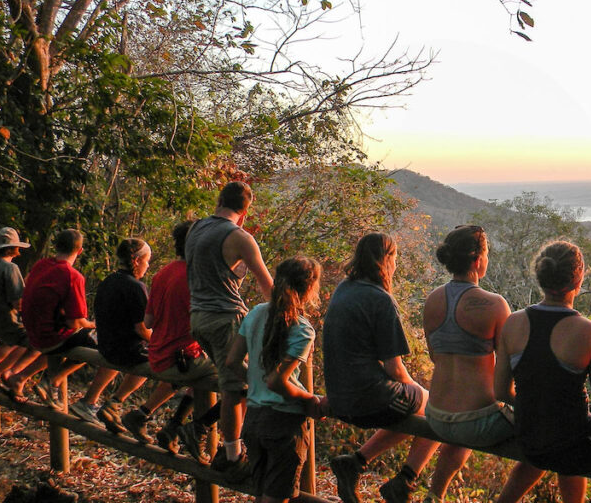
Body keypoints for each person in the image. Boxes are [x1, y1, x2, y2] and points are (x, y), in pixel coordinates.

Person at [495, 240, 591, 503]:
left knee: (566, 438)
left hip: (530, 437)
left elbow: (500, 391)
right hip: (572, 442)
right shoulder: (590, 333)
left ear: (540, 278)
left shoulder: (513, 323)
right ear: (578, 282)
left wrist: (536, 405)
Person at [422, 225, 541, 502]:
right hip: (478, 423)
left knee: (463, 426)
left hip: (436, 416)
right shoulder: (494, 304)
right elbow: (510, 366)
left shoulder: (432, 299)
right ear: (477, 260)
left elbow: (435, 357)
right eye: (486, 254)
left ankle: (434, 494)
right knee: (548, 442)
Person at [324, 232, 440, 503]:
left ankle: (356, 462)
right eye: (395, 259)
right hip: (364, 398)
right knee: (434, 410)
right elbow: (395, 368)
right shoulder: (380, 299)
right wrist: (419, 390)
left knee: (418, 403)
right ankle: (405, 481)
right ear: (386, 260)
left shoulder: (344, 288)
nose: (397, 265)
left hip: (337, 395)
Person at [226, 256, 334, 502]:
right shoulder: (302, 329)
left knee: (261, 493)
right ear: (310, 288)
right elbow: (276, 381)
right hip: (283, 424)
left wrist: (255, 382)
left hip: (253, 421)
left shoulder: (255, 314)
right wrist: (309, 398)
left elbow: (232, 362)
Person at [185, 181, 274, 472]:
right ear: (245, 212)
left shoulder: (196, 228)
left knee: (235, 382)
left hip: (197, 317)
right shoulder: (239, 237)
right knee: (237, 387)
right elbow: (267, 287)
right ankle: (232, 455)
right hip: (225, 319)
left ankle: (205, 430)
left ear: (219, 201)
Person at [4, 229, 119, 421]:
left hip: (33, 331)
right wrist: (93, 324)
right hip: (50, 336)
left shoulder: (42, 265)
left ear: (56, 246)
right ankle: (54, 381)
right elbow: (75, 322)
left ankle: (21, 377)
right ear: (80, 251)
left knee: (69, 342)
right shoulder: (72, 276)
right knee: (99, 346)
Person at [143, 221, 219, 455]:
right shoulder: (194, 279)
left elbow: (148, 322)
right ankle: (198, 429)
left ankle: (173, 425)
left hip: (158, 355)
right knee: (241, 382)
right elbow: (205, 328)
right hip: (179, 360)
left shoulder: (162, 273)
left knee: (205, 369)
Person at [92, 238, 176, 441]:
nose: (148, 266)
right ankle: (116, 403)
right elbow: (142, 328)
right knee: (156, 360)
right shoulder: (135, 287)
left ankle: (113, 404)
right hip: (125, 349)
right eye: (147, 261)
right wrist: (159, 342)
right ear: (137, 261)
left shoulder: (109, 280)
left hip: (104, 345)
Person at [0, 227, 44, 388]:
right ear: (14, 248)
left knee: (17, 340)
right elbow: (17, 303)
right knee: (36, 341)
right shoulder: (10, 268)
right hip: (8, 322)